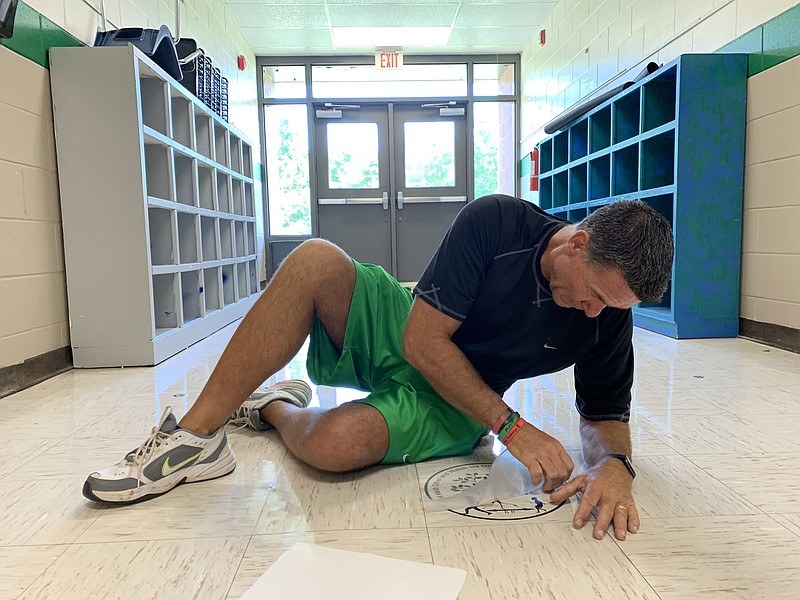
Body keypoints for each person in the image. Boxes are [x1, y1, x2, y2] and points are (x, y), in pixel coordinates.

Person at [83, 194, 674, 541]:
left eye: (612, 307)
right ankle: (196, 438)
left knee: (335, 446)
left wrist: (616, 465)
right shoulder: (497, 223)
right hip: (417, 330)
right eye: (595, 293)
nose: (596, 311)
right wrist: (514, 428)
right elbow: (421, 338)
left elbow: (604, 414)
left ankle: (273, 406)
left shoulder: (607, 317)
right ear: (576, 245)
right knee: (316, 259)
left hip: (461, 400)